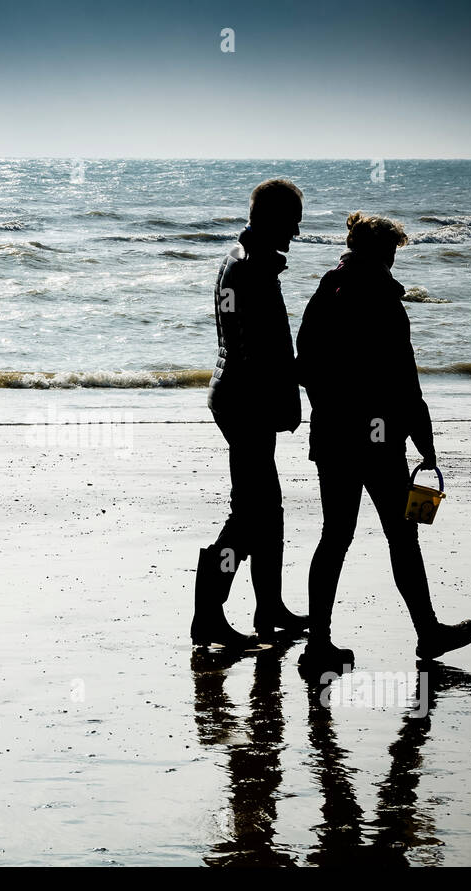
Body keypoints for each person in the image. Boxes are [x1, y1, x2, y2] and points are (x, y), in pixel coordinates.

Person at [296, 212, 471, 668]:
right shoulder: (384, 300)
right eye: (392, 252)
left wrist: (329, 411)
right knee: (402, 534)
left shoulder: (325, 291)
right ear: (382, 252)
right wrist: (425, 441)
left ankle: (318, 644)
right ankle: (428, 632)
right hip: (378, 438)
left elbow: (305, 363)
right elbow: (404, 381)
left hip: (333, 433)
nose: (394, 261)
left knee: (335, 536)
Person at [191, 179, 310, 649]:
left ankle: (270, 607)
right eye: (293, 223)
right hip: (244, 404)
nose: (296, 234)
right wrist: (280, 402)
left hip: (240, 398)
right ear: (274, 218)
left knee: (268, 511)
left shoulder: (244, 260)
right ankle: (208, 613)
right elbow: (250, 351)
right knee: (248, 516)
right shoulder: (248, 268)